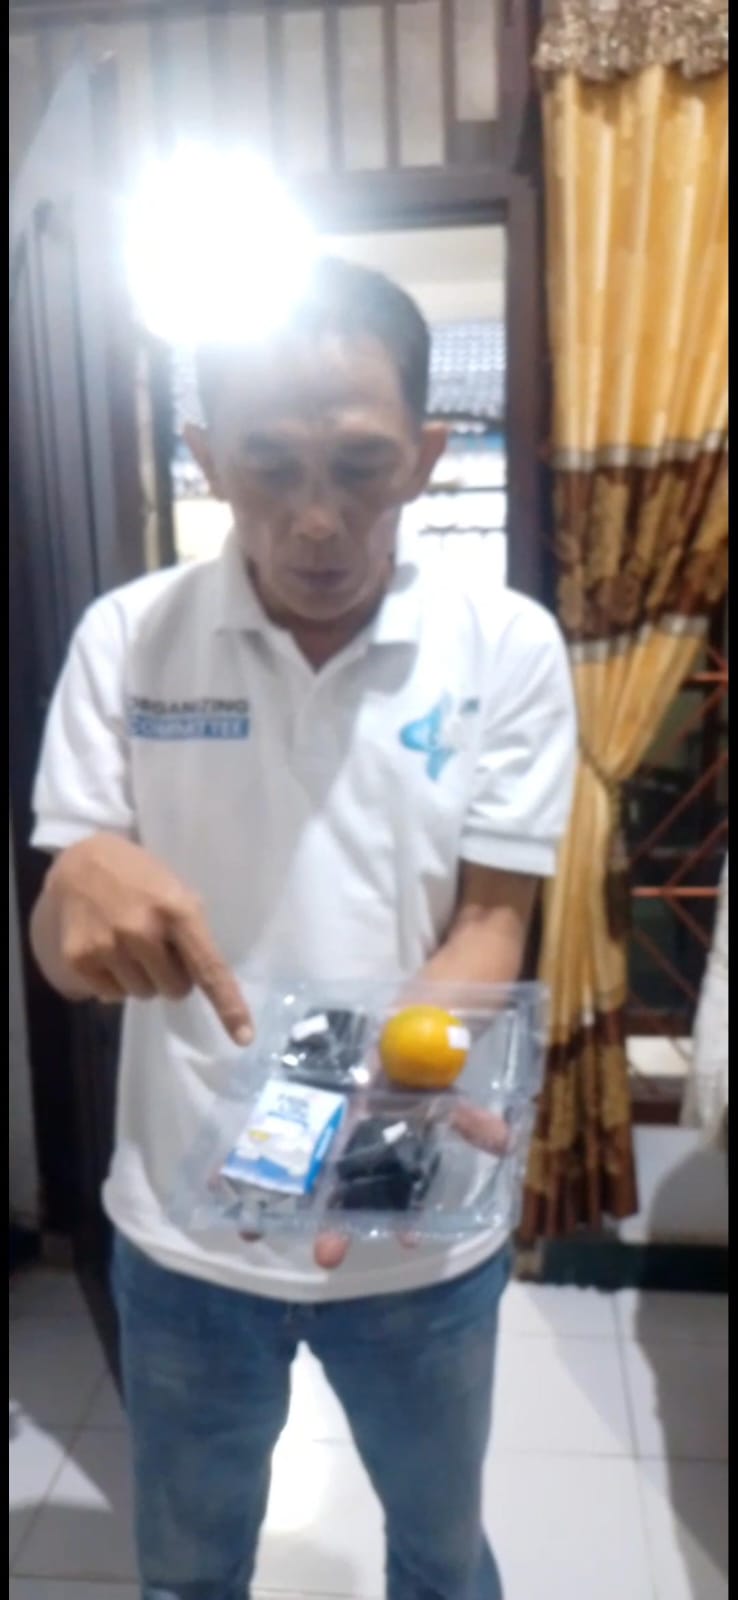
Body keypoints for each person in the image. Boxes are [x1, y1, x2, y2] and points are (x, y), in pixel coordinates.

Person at [30, 257, 577, 1600]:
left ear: (425, 456)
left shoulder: (503, 645)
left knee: (440, 1559)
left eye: (360, 465)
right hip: (182, 1227)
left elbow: (491, 919)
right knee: (188, 1574)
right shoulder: (128, 638)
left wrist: (403, 1077)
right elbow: (66, 945)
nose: (318, 519)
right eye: (271, 466)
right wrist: (68, 900)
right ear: (208, 457)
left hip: (411, 1201)